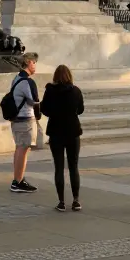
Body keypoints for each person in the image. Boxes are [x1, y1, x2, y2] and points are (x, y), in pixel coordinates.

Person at [43, 64, 84, 212]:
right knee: (73, 167)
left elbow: (44, 110)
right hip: (72, 131)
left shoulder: (50, 91)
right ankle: (76, 200)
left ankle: (61, 201)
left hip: (56, 132)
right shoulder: (75, 91)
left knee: (58, 167)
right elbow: (81, 109)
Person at [9, 58, 40, 194]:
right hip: (25, 119)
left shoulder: (16, 78)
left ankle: (18, 178)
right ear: (28, 62)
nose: (35, 66)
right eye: (33, 62)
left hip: (16, 119)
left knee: (19, 148)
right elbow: (34, 100)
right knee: (23, 149)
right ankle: (17, 182)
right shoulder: (27, 81)